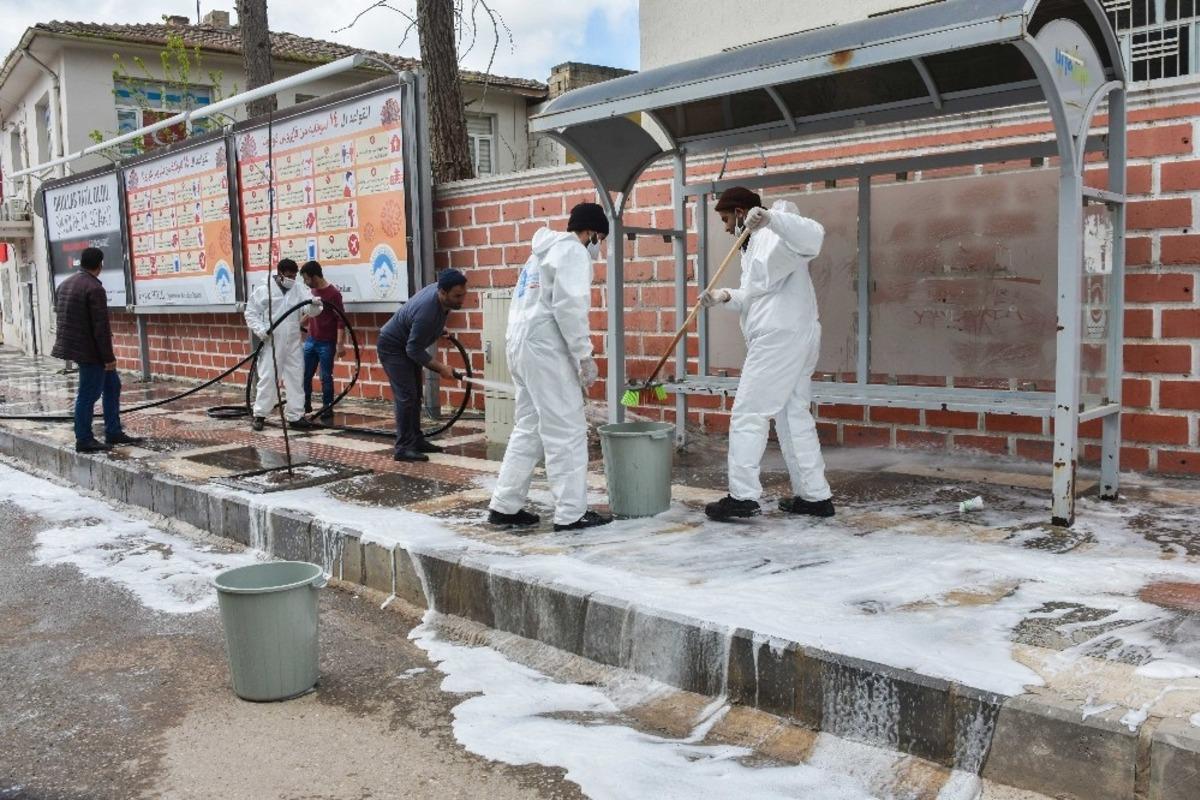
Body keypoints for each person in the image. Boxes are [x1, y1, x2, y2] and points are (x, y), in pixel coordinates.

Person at [700, 187, 835, 521]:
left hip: (779, 338)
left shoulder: (774, 230)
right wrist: (725, 296)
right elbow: (757, 294)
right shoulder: (754, 245)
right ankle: (815, 497)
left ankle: (742, 497)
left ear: (741, 211)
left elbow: (812, 239)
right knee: (793, 416)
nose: (725, 226)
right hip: (792, 335)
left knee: (749, 412)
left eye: (725, 218)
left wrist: (773, 218)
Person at [487, 202, 613, 532]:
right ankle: (572, 513)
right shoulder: (572, 252)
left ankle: (505, 505)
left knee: (529, 426)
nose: (599, 246)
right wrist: (584, 355)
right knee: (566, 428)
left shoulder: (540, 252)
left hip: (521, 344)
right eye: (600, 238)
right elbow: (570, 307)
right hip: (546, 349)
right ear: (592, 233)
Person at [51, 247, 144, 453]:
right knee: (88, 394)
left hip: (76, 346)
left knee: (112, 386)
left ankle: (114, 431)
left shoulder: (66, 284)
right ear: (100, 265)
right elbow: (100, 328)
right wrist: (108, 358)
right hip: (90, 351)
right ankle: (83, 439)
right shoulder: (94, 288)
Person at [377, 269, 467, 462]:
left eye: (463, 295)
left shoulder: (439, 294)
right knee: (406, 396)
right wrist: (442, 368)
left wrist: (438, 328)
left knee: (415, 394)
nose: (461, 300)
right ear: (442, 292)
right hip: (393, 347)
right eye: (457, 296)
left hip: (406, 344)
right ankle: (402, 448)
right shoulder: (427, 311)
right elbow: (413, 350)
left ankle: (416, 440)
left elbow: (418, 322)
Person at [244, 258, 324, 432]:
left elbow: (310, 309)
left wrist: (316, 306)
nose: (291, 279)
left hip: (294, 342)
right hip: (272, 341)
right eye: (288, 276)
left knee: (296, 378)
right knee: (268, 377)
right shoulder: (264, 290)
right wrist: (260, 330)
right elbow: (250, 313)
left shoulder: (298, 289)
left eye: (294, 276)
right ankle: (260, 415)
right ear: (279, 274)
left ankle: (295, 416)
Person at [298, 260, 346, 419]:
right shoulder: (312, 293)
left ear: (315, 276)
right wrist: (298, 324)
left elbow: (341, 320)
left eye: (306, 278)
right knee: (305, 374)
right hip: (311, 340)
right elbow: (311, 312)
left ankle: (327, 407)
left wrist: (340, 344)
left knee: (325, 376)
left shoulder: (333, 294)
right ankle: (305, 404)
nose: (306, 282)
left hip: (327, 342)